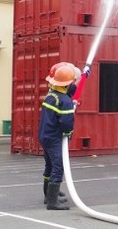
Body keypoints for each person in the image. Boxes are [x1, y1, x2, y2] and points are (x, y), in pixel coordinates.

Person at [39, 61, 89, 210]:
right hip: (54, 138)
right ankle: (52, 202)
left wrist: (84, 77)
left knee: (49, 165)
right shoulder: (65, 102)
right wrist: (68, 132)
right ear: (67, 84)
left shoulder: (52, 95)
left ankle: (48, 194)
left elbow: (70, 90)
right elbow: (66, 123)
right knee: (58, 167)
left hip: (44, 136)